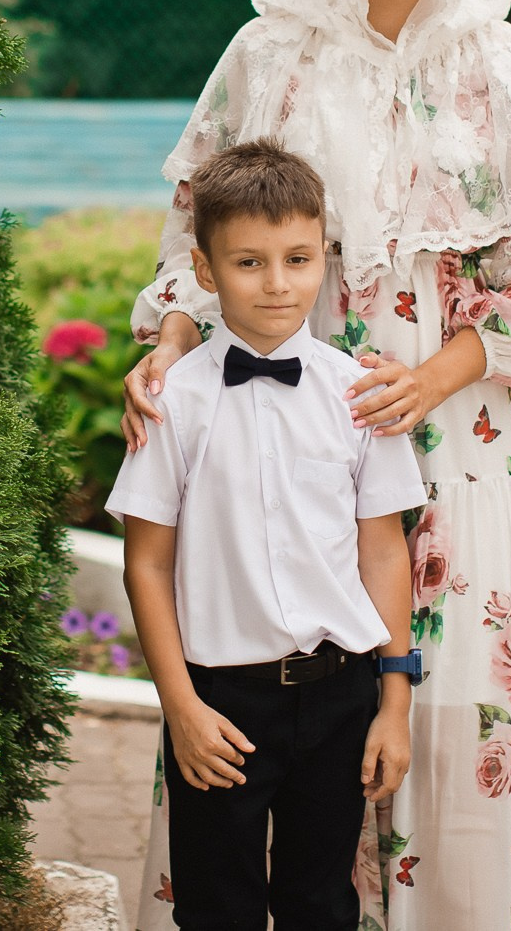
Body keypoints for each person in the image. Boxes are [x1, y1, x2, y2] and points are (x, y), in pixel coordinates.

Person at [123, 0, 511, 931]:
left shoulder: (504, 67)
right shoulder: (268, 54)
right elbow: (197, 238)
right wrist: (167, 347)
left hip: (460, 429)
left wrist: (434, 376)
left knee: (448, 699)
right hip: (284, 411)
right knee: (269, 680)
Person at [108, 138, 429, 931]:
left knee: (323, 905)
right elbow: (147, 566)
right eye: (249, 262)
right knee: (217, 909)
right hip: (221, 702)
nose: (278, 283)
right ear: (205, 268)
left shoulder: (359, 394)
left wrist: (393, 702)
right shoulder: (171, 401)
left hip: (341, 691)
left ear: (324, 259)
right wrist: (181, 707)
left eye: (298, 259)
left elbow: (383, 551)